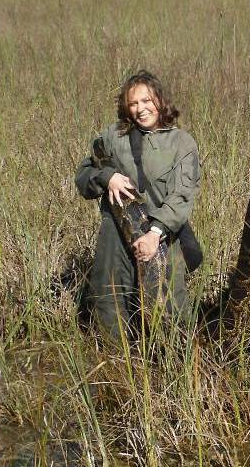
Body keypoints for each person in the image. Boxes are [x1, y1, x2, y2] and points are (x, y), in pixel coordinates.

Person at [75, 70, 201, 342]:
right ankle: (116, 367)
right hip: (115, 233)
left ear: (160, 99)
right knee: (110, 300)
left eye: (147, 100)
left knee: (170, 311)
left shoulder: (182, 143)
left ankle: (173, 370)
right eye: (133, 104)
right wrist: (106, 177)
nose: (141, 109)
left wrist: (155, 233)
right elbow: (84, 176)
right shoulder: (113, 136)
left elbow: (182, 194)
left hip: (162, 234)